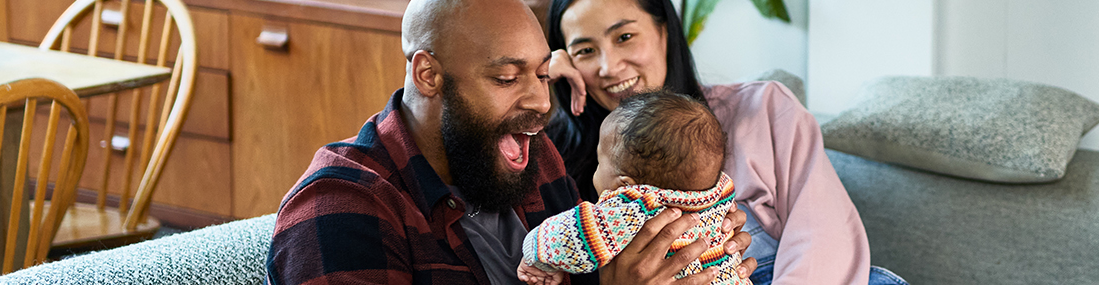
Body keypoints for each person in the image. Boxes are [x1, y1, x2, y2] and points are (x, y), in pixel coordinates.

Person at [265, 0, 756, 284]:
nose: (541, 103)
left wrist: (685, 244)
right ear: (429, 74)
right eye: (506, 77)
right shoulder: (341, 207)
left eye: (544, 74)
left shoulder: (533, 155)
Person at [540, 0, 903, 284]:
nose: (609, 66)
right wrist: (537, 82)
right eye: (585, 51)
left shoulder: (763, 107)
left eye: (624, 37)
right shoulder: (554, 157)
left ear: (665, 32)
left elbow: (823, 236)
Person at [518, 92, 748, 285]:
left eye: (599, 162)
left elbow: (571, 236)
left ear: (626, 185)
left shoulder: (635, 206)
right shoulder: (721, 192)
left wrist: (536, 253)